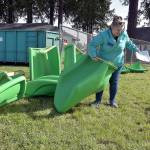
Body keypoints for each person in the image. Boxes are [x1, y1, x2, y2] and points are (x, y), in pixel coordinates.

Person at [88, 15, 139, 108]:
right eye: (117, 30)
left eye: (121, 30)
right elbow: (92, 44)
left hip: (117, 63)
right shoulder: (103, 35)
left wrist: (136, 50)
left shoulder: (124, 34)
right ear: (111, 26)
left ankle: (112, 101)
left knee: (114, 82)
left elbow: (129, 44)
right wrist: (93, 55)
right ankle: (97, 101)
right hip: (104, 63)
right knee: (101, 81)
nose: (119, 32)